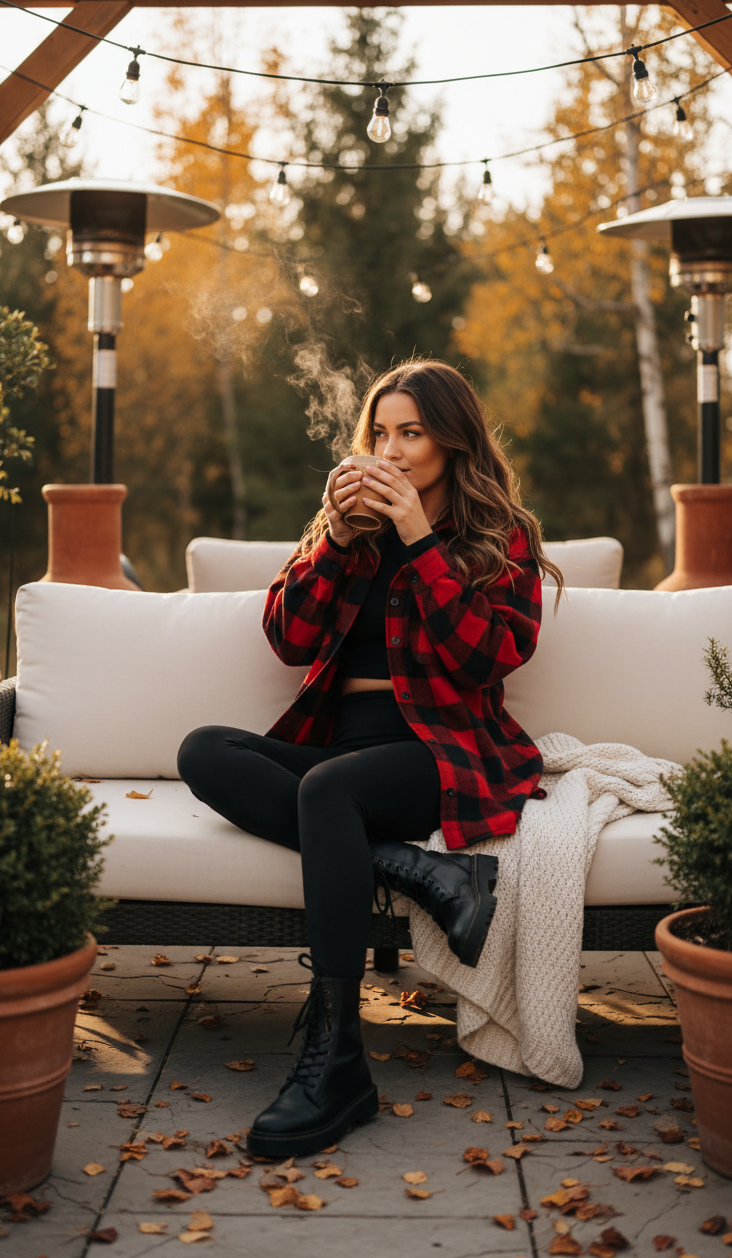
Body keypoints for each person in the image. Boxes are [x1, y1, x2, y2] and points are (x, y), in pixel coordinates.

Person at [177, 359, 563, 1158]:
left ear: (453, 444)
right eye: (380, 433)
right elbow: (287, 637)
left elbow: (488, 658)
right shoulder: (349, 532)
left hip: (442, 750)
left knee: (328, 792)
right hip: (343, 752)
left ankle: (339, 1058)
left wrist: (420, 542)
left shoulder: (501, 536)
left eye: (411, 434)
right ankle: (423, 872)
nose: (391, 451)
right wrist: (334, 536)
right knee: (204, 750)